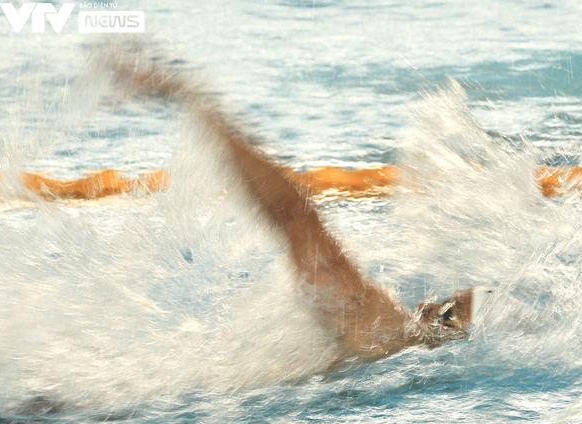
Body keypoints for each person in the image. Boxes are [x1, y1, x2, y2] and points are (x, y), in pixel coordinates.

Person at [114, 62, 483, 361]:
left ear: (454, 333)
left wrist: (189, 96)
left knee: (301, 218)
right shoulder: (392, 345)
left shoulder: (377, 323)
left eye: (445, 311)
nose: (424, 304)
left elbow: (291, 212)